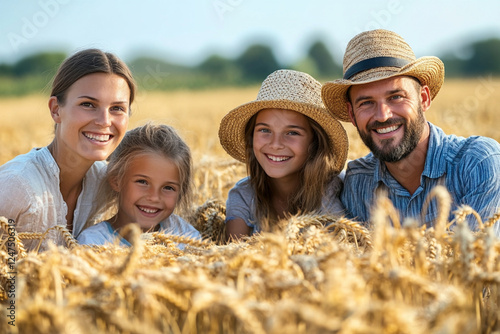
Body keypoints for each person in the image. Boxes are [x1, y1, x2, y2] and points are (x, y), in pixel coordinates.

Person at [321, 29, 500, 234]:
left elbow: (473, 259)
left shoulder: (479, 162)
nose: (382, 115)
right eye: (366, 103)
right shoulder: (357, 184)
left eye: (396, 97)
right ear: (352, 115)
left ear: (423, 99)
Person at [0, 48, 136, 251]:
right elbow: (6, 275)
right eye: (88, 104)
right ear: (56, 110)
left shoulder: (109, 183)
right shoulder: (17, 187)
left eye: (117, 108)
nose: (104, 121)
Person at [218, 69, 349, 241]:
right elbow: (233, 256)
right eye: (264, 130)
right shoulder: (243, 195)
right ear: (251, 136)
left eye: (292, 133)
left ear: (315, 142)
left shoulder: (333, 190)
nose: (275, 144)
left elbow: (340, 253)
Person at [77, 123, 200, 247]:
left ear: (181, 192)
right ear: (116, 180)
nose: (154, 197)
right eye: (143, 182)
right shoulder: (93, 242)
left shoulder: (185, 235)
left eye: (168, 188)